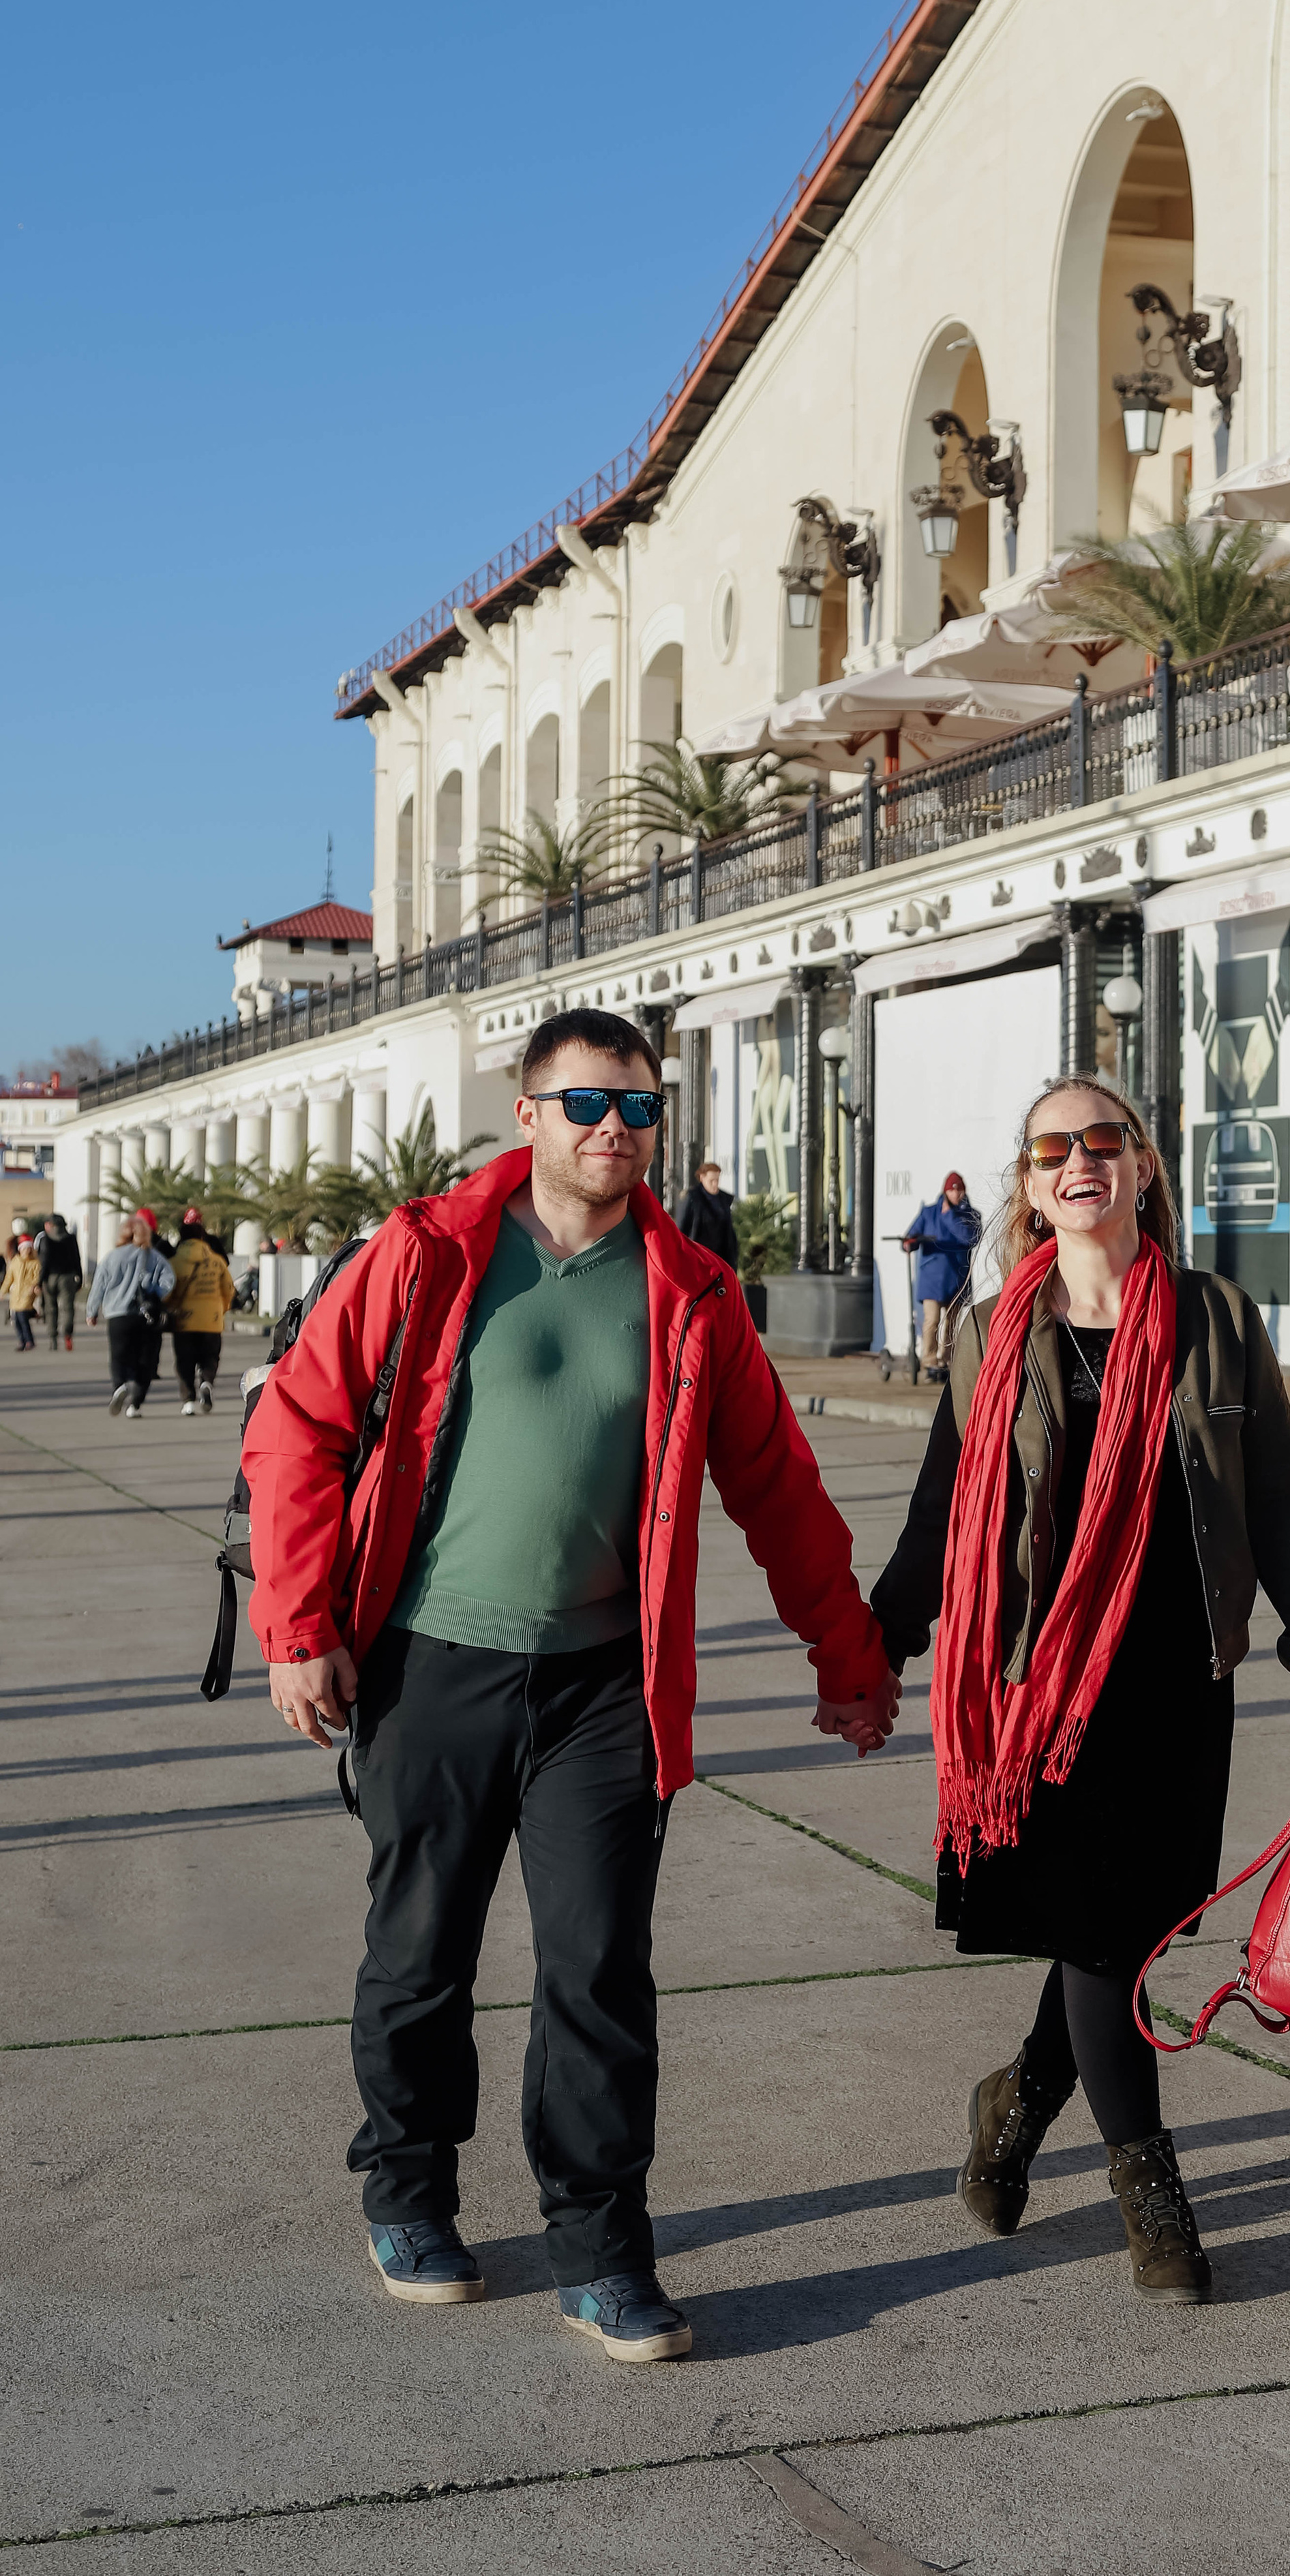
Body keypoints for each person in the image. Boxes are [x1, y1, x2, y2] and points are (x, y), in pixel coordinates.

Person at [245, 1007, 900, 2363]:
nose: (616, 1130)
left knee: (597, 1968)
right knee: (419, 1952)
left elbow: (775, 1486)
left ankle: (602, 2248)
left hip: (605, 1685)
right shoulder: (428, 1254)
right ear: (530, 1112)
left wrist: (847, 1657)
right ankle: (410, 2193)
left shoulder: (692, 1294)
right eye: (590, 1104)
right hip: (430, 1664)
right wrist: (298, 1622)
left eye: (640, 1109)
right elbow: (299, 1423)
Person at [871, 1072, 1290, 2307]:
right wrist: (877, 1641)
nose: (1077, 1162)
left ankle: (1019, 2102)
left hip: (1179, 1676)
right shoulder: (994, 1332)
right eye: (1050, 1150)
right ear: (1030, 1189)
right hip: (1043, 1687)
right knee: (1097, 1933)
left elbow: (1281, 1498)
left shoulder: (1215, 1318)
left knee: (1131, 1933)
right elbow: (944, 1507)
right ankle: (1154, 2197)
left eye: (1102, 1141)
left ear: (1142, 1166)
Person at [86, 1211, 175, 1416]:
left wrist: (92, 1311)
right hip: (146, 1316)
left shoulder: (111, 1257)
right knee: (144, 1360)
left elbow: (99, 1285)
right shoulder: (154, 1257)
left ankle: (119, 1386)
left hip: (118, 1315)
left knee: (119, 1355)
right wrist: (155, 1293)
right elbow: (169, 1281)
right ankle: (135, 1404)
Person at [901, 1171, 982, 1377]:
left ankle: (946, 1360)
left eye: (960, 1190)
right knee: (932, 1321)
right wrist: (909, 1243)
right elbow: (912, 1234)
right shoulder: (929, 1213)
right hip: (932, 1277)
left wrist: (949, 1216)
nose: (957, 1194)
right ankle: (929, 1361)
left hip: (957, 1278)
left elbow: (969, 1238)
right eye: (953, 1190)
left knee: (953, 1323)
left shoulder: (970, 1215)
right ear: (945, 1191)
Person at [169, 1207, 237, 1414]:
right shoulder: (216, 1261)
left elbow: (168, 1290)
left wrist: (170, 1307)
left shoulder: (175, 1261)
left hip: (184, 1320)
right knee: (210, 1357)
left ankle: (188, 1400)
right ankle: (207, 1382)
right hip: (212, 1319)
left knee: (184, 1360)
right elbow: (229, 1289)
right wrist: (222, 1309)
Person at [676, 1160, 738, 1267]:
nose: (715, 1184)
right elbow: (681, 1229)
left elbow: (729, 1232)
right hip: (698, 1256)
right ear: (702, 1178)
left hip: (720, 1258)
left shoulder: (724, 1200)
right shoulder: (692, 1198)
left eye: (717, 1180)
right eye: (711, 1181)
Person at [35, 1214, 82, 1352]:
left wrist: (39, 1281)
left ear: (51, 1225)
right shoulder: (71, 1239)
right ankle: (68, 1334)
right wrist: (80, 1278)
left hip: (50, 1278)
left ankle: (53, 1339)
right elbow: (76, 1259)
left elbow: (44, 1261)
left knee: (51, 1309)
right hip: (68, 1277)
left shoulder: (46, 1239)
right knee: (68, 1308)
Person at [4, 1235, 40, 1350]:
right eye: (24, 1249)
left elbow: (38, 1277)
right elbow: (9, 1278)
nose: (26, 1251)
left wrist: (34, 1286)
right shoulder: (15, 1262)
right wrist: (2, 1292)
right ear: (20, 1249)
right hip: (16, 1294)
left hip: (27, 1294)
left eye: (28, 1249)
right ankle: (22, 1341)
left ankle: (29, 1341)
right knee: (16, 1320)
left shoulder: (35, 1263)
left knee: (23, 1317)